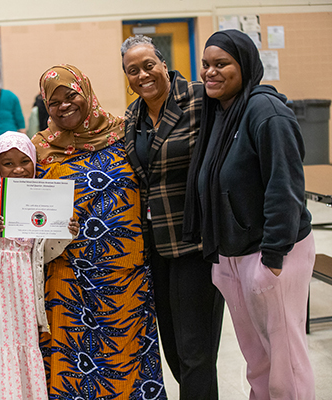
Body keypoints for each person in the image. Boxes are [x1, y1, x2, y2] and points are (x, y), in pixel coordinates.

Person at [184, 29, 315, 399]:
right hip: (232, 253)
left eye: (221, 64)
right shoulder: (221, 112)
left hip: (273, 252)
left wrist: (273, 258)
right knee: (257, 359)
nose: (211, 72)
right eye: (206, 65)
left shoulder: (266, 112)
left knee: (285, 360)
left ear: (245, 65)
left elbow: (285, 187)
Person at [32, 64, 166, 399]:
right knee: (74, 365)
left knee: (128, 361)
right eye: (54, 102)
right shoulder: (38, 149)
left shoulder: (124, 132)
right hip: (68, 278)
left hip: (127, 276)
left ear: (85, 91)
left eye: (71, 95)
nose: (64, 105)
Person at [120, 35, 225, 399]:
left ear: (163, 63)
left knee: (197, 351)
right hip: (156, 246)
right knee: (175, 352)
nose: (143, 75)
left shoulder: (199, 98)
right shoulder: (132, 116)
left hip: (196, 241)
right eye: (132, 71)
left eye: (148, 65)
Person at [0, 131, 79, 399]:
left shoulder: (40, 195)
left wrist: (64, 233)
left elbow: (43, 254)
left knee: (22, 350)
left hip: (23, 293)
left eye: (25, 161)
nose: (18, 169)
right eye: (8, 163)